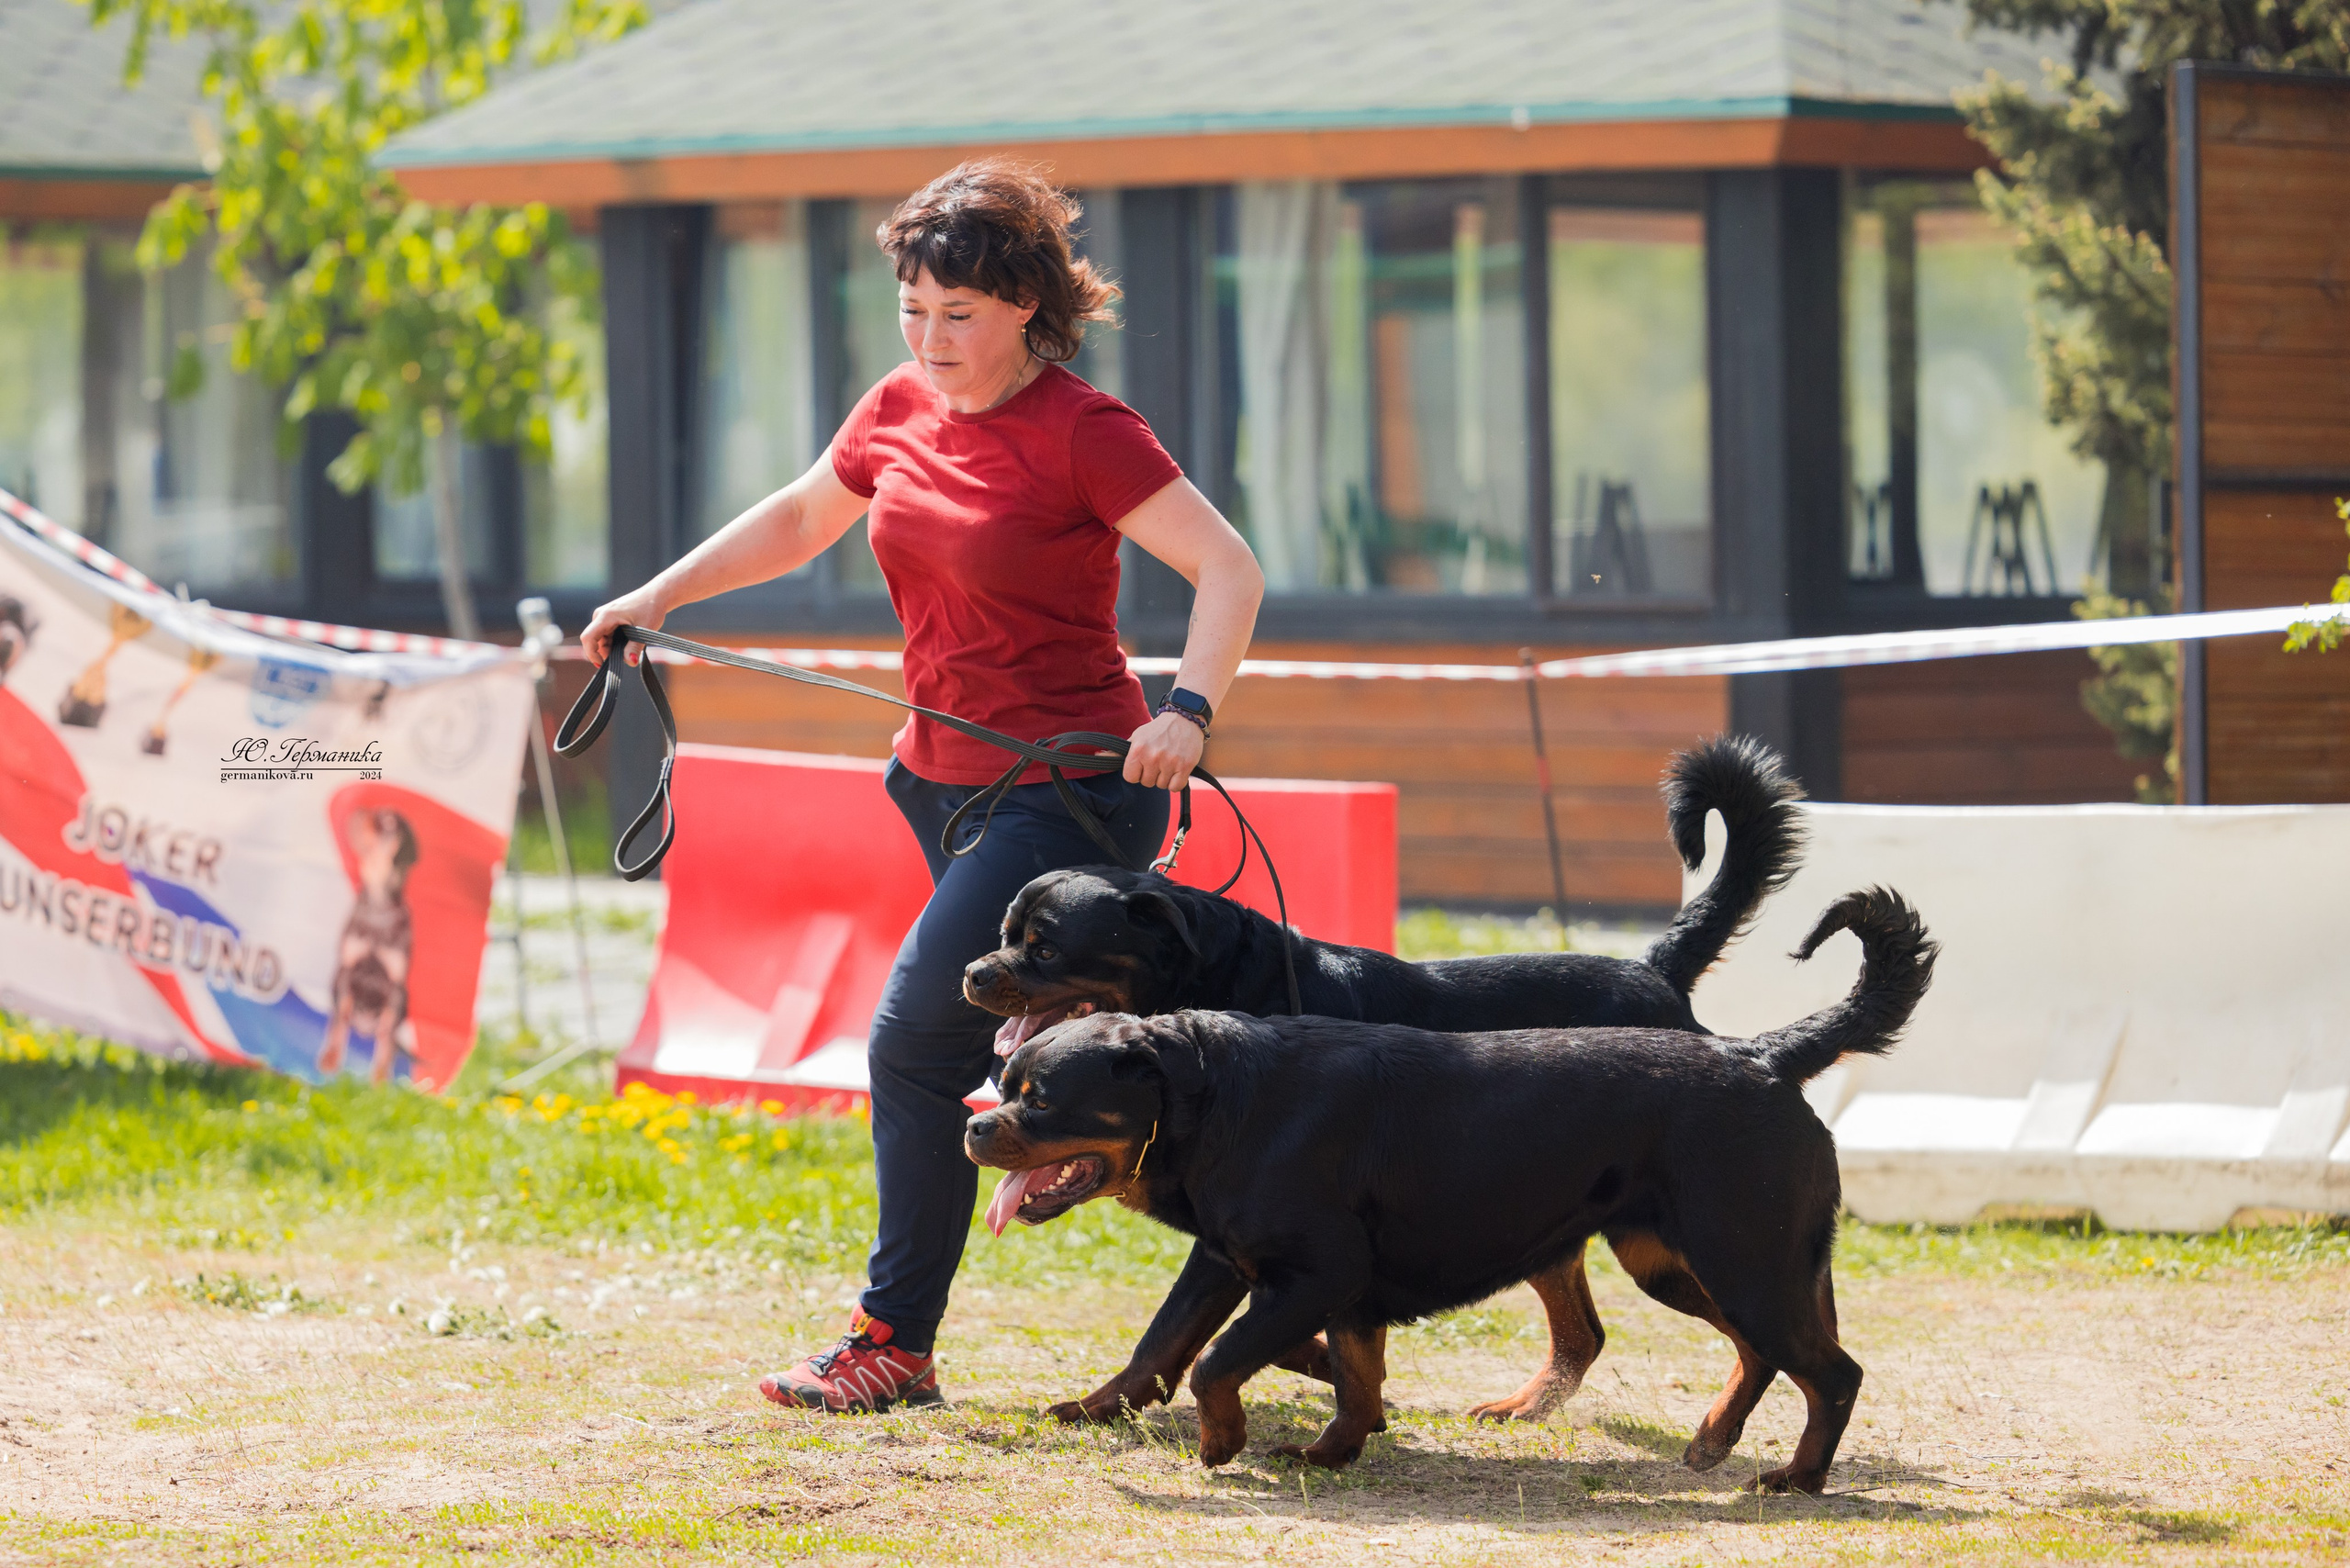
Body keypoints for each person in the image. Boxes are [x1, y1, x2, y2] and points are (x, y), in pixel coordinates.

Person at [580, 161, 1265, 1412]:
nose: (932, 338)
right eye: (914, 307)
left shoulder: (1087, 432)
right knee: (1093, 1050)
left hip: (1067, 794)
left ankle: (894, 1340)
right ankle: (1283, 1270)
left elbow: (1229, 568)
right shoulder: (896, 405)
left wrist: (1188, 712)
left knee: (914, 1041)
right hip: (935, 783)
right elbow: (799, 521)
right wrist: (655, 600)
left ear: (1023, 305)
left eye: (960, 313)